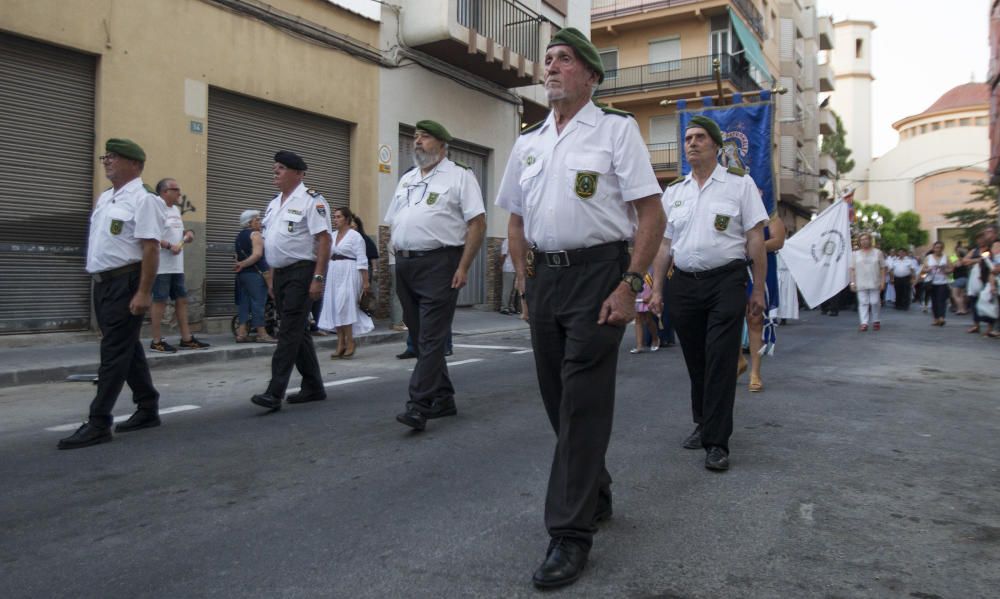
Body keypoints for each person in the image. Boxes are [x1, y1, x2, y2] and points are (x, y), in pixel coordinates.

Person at [496, 28, 665, 589]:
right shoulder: (529, 140)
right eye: (547, 60)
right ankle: (596, 486)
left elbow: (650, 215)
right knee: (556, 399)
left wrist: (630, 284)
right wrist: (522, 280)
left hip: (600, 277)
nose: (551, 68)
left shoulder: (615, 131)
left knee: (582, 403)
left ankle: (569, 534)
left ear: (590, 76)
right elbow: (516, 220)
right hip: (545, 278)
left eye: (564, 60)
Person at [649, 115, 767, 473]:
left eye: (700, 137)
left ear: (716, 145)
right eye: (687, 138)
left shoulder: (740, 185)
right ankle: (703, 423)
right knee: (697, 359)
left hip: (726, 282)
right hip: (683, 284)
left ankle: (717, 443)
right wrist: (656, 288)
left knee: (719, 359)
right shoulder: (675, 192)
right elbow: (664, 245)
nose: (692, 144)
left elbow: (755, 240)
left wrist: (758, 289)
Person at [58, 139, 166, 449]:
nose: (106, 161)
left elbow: (150, 249)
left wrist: (144, 292)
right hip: (103, 283)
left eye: (114, 157)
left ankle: (99, 421)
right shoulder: (106, 198)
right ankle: (147, 407)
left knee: (113, 353)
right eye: (106, 156)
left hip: (126, 282)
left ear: (135, 164)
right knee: (126, 348)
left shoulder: (145, 200)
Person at [386, 120, 486, 432]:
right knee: (420, 336)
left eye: (425, 137)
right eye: (415, 137)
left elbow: (477, 224)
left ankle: (419, 405)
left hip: (440, 264)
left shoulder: (460, 175)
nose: (417, 142)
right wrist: (394, 258)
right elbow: (393, 220)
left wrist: (463, 266)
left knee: (430, 337)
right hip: (405, 264)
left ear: (443, 145)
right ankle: (444, 397)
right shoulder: (407, 179)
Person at [249, 150, 332, 411]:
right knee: (298, 331)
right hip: (281, 273)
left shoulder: (312, 201)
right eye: (275, 167)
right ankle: (314, 386)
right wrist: (272, 277)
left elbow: (324, 240)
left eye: (282, 168)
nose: (276, 171)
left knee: (288, 332)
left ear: (298, 173)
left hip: (303, 272)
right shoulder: (274, 203)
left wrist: (318, 277)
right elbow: (273, 242)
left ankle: (275, 392)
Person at [148, 178, 210, 353]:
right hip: (160, 266)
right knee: (159, 301)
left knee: (181, 300)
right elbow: (149, 235)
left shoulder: (175, 209)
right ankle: (156, 340)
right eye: (176, 189)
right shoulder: (155, 208)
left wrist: (187, 233)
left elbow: (175, 230)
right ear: (165, 192)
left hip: (176, 265)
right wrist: (168, 245)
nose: (179, 193)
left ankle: (186, 338)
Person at [318, 206, 373, 358]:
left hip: (350, 271)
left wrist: (366, 282)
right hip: (334, 271)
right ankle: (340, 343)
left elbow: (362, 259)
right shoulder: (333, 235)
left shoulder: (355, 236)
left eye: (339, 217)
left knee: (345, 307)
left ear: (347, 219)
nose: (335, 220)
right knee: (335, 307)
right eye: (334, 217)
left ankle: (350, 342)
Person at [745, 213, 786, 392]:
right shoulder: (736, 208)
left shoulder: (772, 217)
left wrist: (752, 247)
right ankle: (738, 361)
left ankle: (755, 372)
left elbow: (778, 241)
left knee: (755, 318)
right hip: (735, 267)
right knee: (727, 315)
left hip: (762, 267)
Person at [233, 209, 276, 342]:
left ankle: (241, 333)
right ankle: (262, 334)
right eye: (257, 220)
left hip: (243, 275)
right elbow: (257, 255)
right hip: (255, 274)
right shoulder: (256, 234)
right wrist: (244, 264)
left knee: (244, 303)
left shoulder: (239, 236)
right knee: (258, 303)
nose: (260, 222)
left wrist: (241, 265)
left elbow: (237, 256)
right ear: (249, 222)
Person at [849, 233, 886, 332]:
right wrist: (852, 282)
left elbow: (882, 268)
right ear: (859, 242)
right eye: (862, 240)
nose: (864, 241)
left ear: (870, 240)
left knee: (874, 302)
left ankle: (876, 320)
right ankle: (864, 323)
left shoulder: (878, 253)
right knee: (863, 302)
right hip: (861, 282)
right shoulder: (855, 254)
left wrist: (883, 281)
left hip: (874, 281)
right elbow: (852, 269)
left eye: (866, 239)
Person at [920, 241, 952, 327]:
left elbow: (951, 269)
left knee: (941, 300)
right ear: (933, 248)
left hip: (942, 281)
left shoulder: (946, 257)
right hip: (932, 282)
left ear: (943, 249)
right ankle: (936, 318)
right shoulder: (928, 258)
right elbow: (923, 270)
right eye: (936, 247)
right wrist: (929, 269)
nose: (938, 249)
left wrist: (945, 270)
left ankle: (941, 317)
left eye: (940, 248)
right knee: (934, 301)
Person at [631, 270, 659, 353]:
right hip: (636, 291)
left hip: (648, 290)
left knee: (648, 319)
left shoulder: (652, 265)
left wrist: (652, 295)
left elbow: (657, 280)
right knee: (638, 319)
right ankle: (639, 345)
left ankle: (655, 339)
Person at [775, 252, 799, 322]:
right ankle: (774, 315)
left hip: (788, 274)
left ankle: (784, 317)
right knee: (778, 295)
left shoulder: (789, 247)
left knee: (786, 296)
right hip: (778, 272)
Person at [499, 238, 519, 314]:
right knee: (507, 289)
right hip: (508, 268)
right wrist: (501, 265)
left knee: (514, 290)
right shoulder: (507, 241)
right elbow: (503, 255)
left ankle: (511, 307)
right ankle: (504, 308)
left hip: (516, 269)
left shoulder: (519, 241)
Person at [950, 243, 969, 315]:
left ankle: (960, 309)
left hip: (958, 279)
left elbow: (955, 266)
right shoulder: (965, 259)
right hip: (965, 278)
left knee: (955, 295)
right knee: (961, 295)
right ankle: (963, 309)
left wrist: (953, 260)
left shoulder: (956, 259)